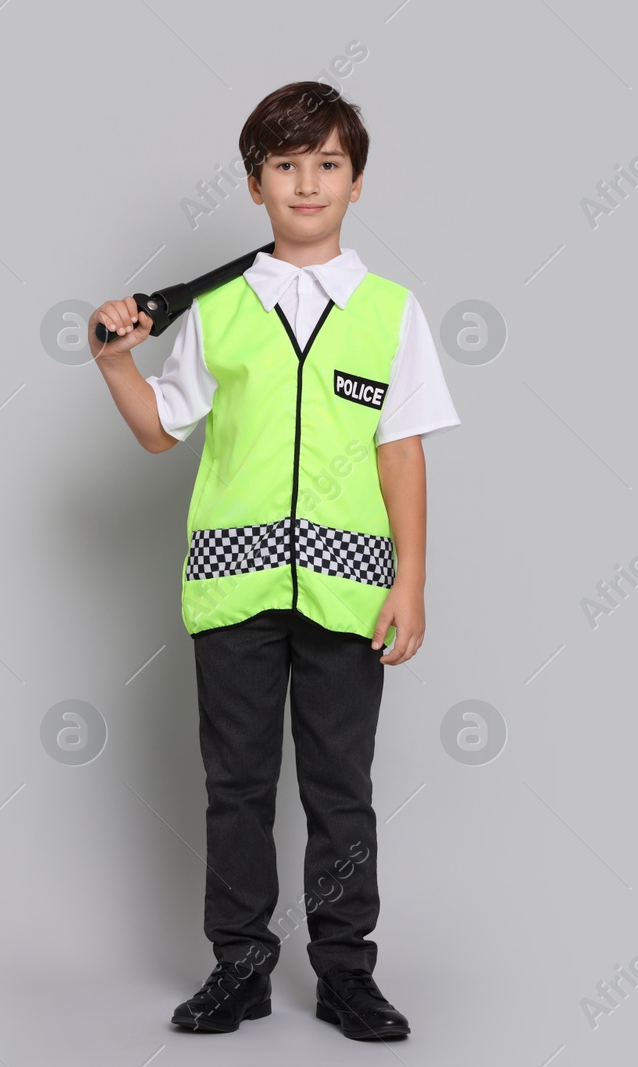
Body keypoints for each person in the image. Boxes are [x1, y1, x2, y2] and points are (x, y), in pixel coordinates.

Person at [88, 80, 460, 1042]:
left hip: (350, 598)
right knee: (237, 786)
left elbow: (402, 450)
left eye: (327, 164)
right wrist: (114, 363)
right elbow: (163, 434)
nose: (308, 182)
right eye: (286, 165)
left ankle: (346, 972)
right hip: (234, 593)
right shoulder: (218, 311)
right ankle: (240, 966)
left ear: (357, 182)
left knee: (342, 790)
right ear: (255, 185)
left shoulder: (390, 313)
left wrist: (409, 581)